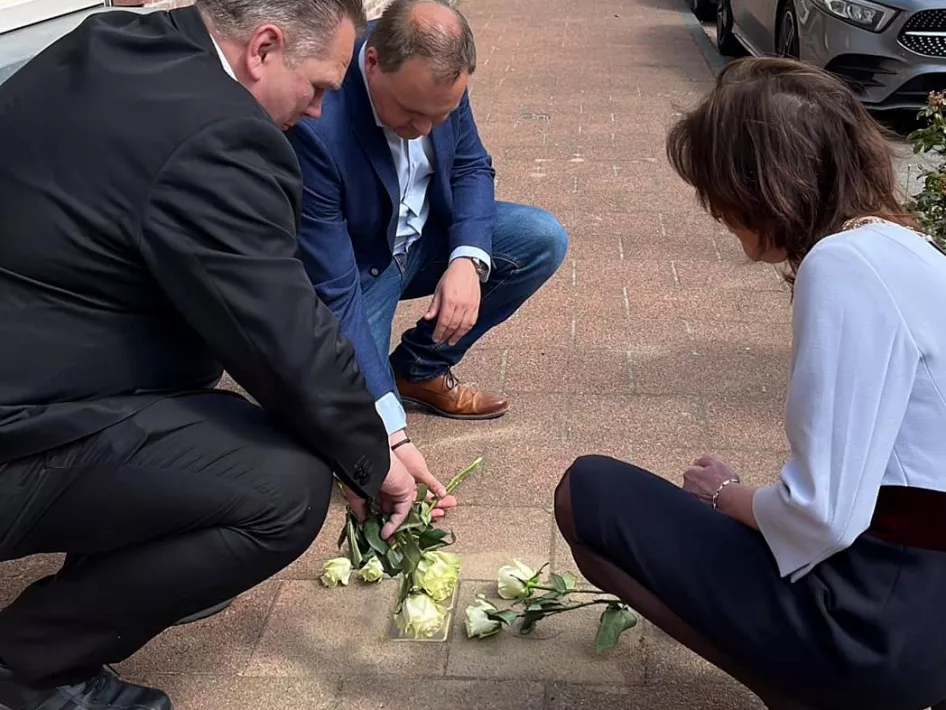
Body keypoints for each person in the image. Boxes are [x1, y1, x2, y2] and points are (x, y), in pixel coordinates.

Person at [0, 1, 448, 708]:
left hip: (37, 355)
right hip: (17, 426)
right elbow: (283, 334)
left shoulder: (112, 39)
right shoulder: (219, 136)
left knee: (205, 406)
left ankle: (135, 563)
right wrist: (374, 457)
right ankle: (29, 668)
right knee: (281, 488)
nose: (318, 112)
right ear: (263, 47)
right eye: (320, 88)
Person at [555, 57, 946, 710]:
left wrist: (729, 496)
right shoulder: (913, 252)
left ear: (762, 185)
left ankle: (812, 693)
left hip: (879, 629)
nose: (718, 214)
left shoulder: (842, 265)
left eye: (719, 195)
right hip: (921, 612)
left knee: (587, 493)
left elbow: (823, 514)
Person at [284, 0, 568, 477]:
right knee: (346, 425)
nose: (423, 131)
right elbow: (332, 288)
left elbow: (471, 164)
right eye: (411, 113)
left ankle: (417, 370)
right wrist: (390, 435)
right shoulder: (317, 118)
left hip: (423, 241)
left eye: (440, 116)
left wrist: (467, 260)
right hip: (358, 268)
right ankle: (386, 394)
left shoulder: (438, 81)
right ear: (371, 62)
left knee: (541, 237)